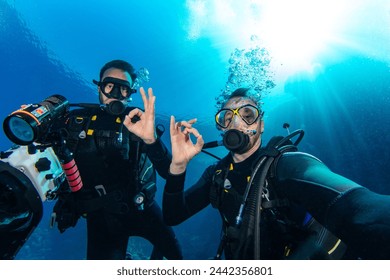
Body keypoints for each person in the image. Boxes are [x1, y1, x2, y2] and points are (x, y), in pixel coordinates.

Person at [163, 87, 390, 260]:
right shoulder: (216, 175)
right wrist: (178, 166)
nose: (237, 123)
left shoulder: (286, 165)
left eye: (248, 114)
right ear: (221, 128)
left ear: (261, 124)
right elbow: (172, 216)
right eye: (227, 117)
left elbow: (359, 207)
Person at [52, 59, 182, 260]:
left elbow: (169, 171)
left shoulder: (139, 122)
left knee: (176, 258)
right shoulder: (76, 121)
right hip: (101, 217)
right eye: (109, 86)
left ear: (130, 94)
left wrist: (152, 140)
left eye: (122, 90)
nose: (114, 95)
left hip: (142, 209)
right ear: (99, 87)